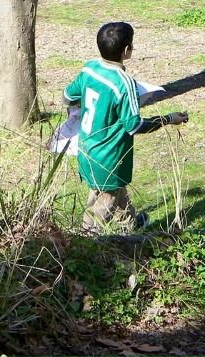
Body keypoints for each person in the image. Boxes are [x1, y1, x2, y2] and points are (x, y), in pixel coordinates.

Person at [63, 22, 189, 232]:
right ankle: (84, 247)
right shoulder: (124, 83)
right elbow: (134, 125)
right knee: (101, 206)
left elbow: (68, 97)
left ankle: (129, 225)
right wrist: (167, 119)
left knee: (113, 190)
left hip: (86, 148)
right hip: (109, 157)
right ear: (126, 50)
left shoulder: (89, 69)